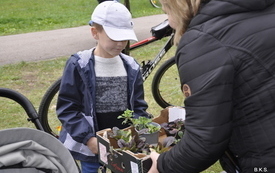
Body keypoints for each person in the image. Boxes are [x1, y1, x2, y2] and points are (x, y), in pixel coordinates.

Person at [148, 0, 275, 173]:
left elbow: (204, 142)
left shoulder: (203, 41)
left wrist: (161, 165)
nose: (168, 21)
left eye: (166, 10)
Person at [56, 1, 150, 173]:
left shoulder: (131, 67)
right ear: (95, 32)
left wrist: (142, 131)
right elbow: (67, 108)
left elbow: (138, 106)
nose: (121, 43)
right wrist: (88, 138)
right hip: (90, 148)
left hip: (122, 148)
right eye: (114, 37)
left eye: (125, 37)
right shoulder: (79, 65)